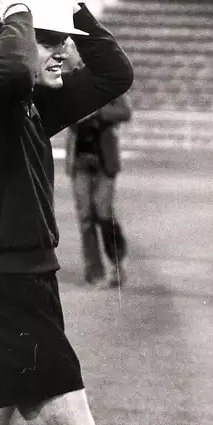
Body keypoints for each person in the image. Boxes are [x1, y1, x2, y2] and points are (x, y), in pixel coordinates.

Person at [0, 0, 133, 425]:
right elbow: (8, 71)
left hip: (30, 284)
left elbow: (114, 75)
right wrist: (20, 5)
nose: (64, 51)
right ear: (9, 34)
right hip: (7, 292)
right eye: (49, 38)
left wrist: (73, 9)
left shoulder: (25, 106)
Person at [65, 88, 132, 287]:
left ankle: (117, 259)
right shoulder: (73, 87)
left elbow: (125, 112)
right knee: (85, 216)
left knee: (103, 212)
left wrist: (97, 111)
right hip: (79, 161)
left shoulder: (108, 86)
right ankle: (94, 271)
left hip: (104, 162)